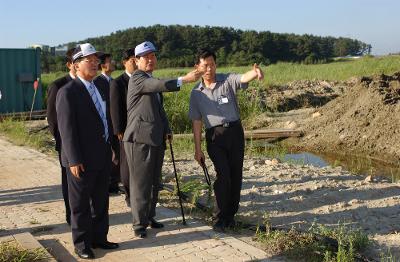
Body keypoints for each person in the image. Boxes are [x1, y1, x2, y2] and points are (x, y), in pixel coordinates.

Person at [123, 41, 202, 238]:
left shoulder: (150, 78)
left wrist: (166, 128)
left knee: (154, 182)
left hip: (156, 138)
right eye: (146, 56)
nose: (150, 59)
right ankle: (138, 224)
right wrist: (184, 79)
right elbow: (158, 85)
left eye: (153, 56)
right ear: (137, 60)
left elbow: (158, 110)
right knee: (141, 183)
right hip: (139, 139)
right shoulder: (138, 78)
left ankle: (150, 216)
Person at [188, 49, 264, 232]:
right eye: (205, 65)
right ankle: (219, 217)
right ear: (197, 67)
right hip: (215, 137)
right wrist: (198, 150)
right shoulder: (196, 93)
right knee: (223, 175)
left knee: (235, 175)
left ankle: (230, 215)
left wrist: (255, 72)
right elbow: (196, 122)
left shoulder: (227, 80)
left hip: (235, 133)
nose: (209, 68)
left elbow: (243, 78)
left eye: (212, 64)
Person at [56, 43, 118, 259]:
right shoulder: (68, 92)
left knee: (101, 201)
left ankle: (99, 238)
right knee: (80, 204)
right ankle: (82, 244)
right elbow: (66, 129)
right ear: (76, 65)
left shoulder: (100, 87)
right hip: (80, 159)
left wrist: (110, 147)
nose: (94, 64)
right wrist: (73, 159)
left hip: (101, 155)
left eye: (95, 60)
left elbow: (105, 120)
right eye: (88, 60)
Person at [46, 47, 76, 226]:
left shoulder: (91, 84)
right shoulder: (58, 86)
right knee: (69, 182)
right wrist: (63, 141)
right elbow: (52, 119)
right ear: (70, 64)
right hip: (67, 145)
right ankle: (70, 214)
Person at [110, 48, 136, 206]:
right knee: (126, 165)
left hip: (141, 131)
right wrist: (118, 129)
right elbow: (115, 107)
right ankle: (129, 195)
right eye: (132, 60)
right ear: (124, 63)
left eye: (137, 59)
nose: (135, 62)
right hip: (126, 131)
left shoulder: (145, 79)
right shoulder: (118, 82)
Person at [93, 53, 122, 195]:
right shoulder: (97, 83)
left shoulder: (114, 82)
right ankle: (106, 183)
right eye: (110, 61)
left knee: (117, 155)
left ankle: (114, 183)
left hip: (115, 126)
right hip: (104, 126)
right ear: (103, 65)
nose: (113, 63)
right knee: (106, 155)